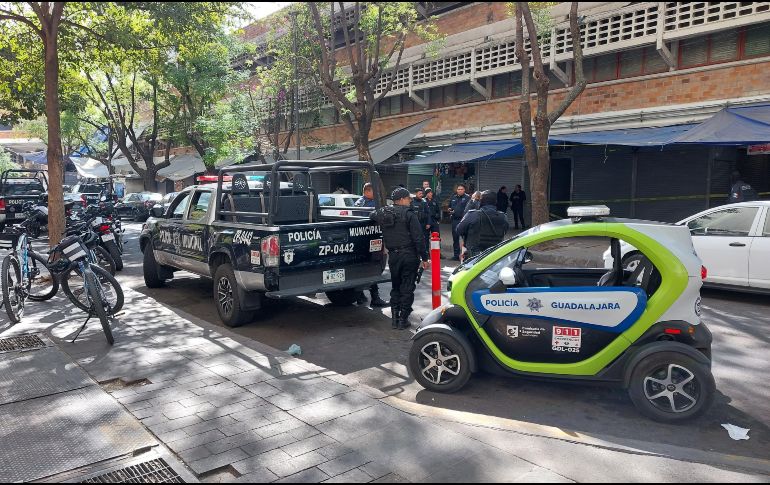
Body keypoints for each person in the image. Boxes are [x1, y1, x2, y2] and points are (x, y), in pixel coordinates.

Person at [370, 188, 430, 330]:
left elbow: (372, 215)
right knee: (407, 287)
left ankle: (395, 319)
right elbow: (418, 238)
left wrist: (385, 210)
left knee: (396, 286)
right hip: (409, 255)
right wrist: (425, 258)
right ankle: (403, 319)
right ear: (402, 199)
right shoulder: (409, 214)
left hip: (394, 256)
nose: (410, 201)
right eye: (409, 199)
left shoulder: (383, 212)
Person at [354, 183, 387, 307]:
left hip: (358, 240)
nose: (376, 194)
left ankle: (360, 296)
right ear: (367, 191)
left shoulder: (358, 202)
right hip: (370, 240)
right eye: (374, 191)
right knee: (373, 268)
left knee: (359, 268)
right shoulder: (371, 204)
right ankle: (375, 297)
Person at [457, 190, 509, 259]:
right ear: (496, 202)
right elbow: (504, 231)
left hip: (474, 257)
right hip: (494, 257)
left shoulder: (473, 214)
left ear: (481, 201)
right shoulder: (503, 217)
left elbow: (459, 230)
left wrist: (472, 202)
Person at [448, 184, 471, 261]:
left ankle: (465, 256)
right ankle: (456, 255)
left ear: (464, 190)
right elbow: (449, 206)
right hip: (455, 220)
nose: (460, 190)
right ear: (456, 190)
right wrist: (450, 210)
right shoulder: (453, 197)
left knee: (465, 239)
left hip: (464, 221)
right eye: (458, 189)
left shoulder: (467, 198)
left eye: (461, 189)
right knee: (455, 238)